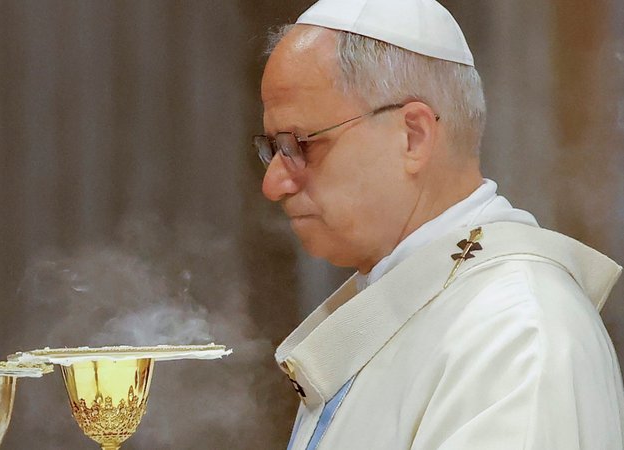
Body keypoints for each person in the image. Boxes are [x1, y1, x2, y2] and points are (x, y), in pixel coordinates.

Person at [253, 0, 624, 448]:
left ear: (413, 136)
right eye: (273, 148)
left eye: (299, 144)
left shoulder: (513, 331)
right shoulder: (409, 308)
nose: (273, 183)